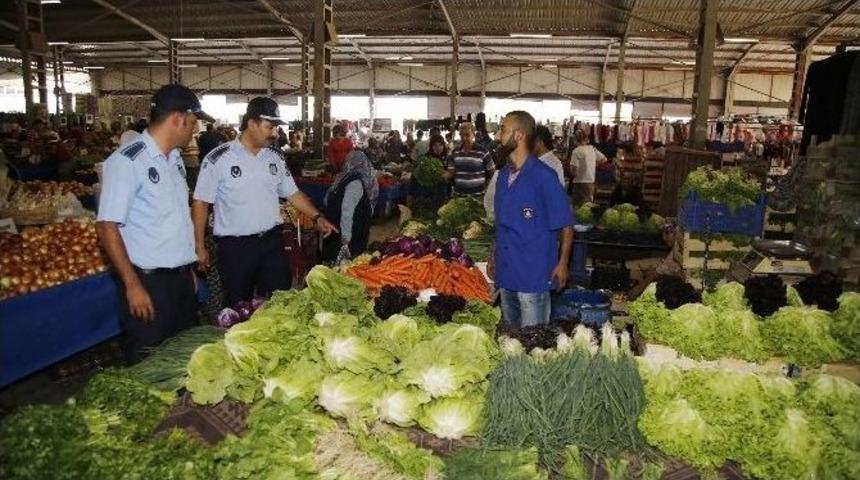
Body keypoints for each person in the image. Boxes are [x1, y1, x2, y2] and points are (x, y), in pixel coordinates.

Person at [96, 84, 214, 364]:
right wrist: (132, 285)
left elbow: (173, 218)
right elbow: (106, 226)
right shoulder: (127, 161)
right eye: (193, 123)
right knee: (148, 362)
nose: (194, 130)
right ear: (178, 119)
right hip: (147, 283)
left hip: (179, 281)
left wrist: (187, 267)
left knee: (182, 361)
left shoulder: (174, 159)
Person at [192, 97, 337, 307]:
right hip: (235, 248)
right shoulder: (218, 159)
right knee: (237, 306)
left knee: (281, 303)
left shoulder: (274, 158)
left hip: (271, 244)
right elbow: (201, 204)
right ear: (251, 123)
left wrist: (317, 217)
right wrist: (199, 246)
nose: (275, 133)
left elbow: (292, 193)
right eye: (270, 127)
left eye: (276, 128)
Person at [490, 111, 574, 327]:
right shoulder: (502, 176)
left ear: (519, 135)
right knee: (511, 336)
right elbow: (500, 224)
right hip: (507, 273)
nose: (499, 136)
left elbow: (565, 224)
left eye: (503, 130)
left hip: (533, 274)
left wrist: (563, 263)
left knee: (533, 341)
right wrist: (494, 254)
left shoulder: (544, 176)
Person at [321, 151, 378, 261]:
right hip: (348, 236)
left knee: (332, 264)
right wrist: (346, 239)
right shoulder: (355, 183)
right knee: (345, 268)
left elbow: (326, 201)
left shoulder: (343, 178)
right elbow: (347, 211)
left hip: (334, 231)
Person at [445, 122, 494, 197]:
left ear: (473, 135)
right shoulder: (454, 152)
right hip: (459, 197)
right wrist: (442, 175)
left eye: (467, 135)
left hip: (478, 197)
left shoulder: (483, 151)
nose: (464, 138)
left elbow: (492, 172)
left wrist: (487, 187)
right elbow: (451, 173)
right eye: (461, 135)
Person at [569, 129, 607, 206]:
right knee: (588, 208)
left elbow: (574, 171)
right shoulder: (592, 149)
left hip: (579, 183)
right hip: (591, 182)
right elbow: (604, 159)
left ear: (576, 140)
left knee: (577, 208)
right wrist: (594, 165)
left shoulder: (576, 151)